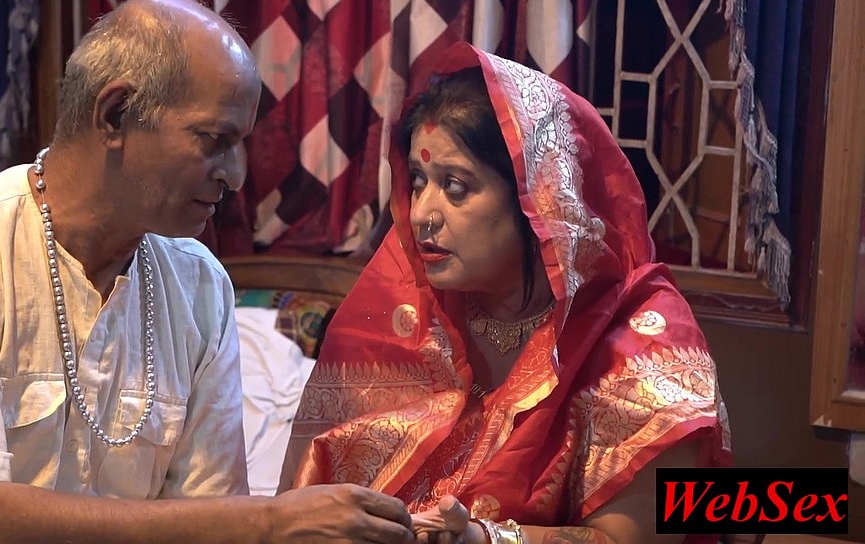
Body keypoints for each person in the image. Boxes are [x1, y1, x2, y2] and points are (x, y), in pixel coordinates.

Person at [0, 0, 416, 544]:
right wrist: (267, 524)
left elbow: (211, 520)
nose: (236, 175)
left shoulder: (199, 285)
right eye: (214, 139)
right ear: (115, 115)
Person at [278, 42, 731, 544]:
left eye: (455, 186)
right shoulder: (404, 313)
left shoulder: (640, 343)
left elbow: (632, 541)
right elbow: (310, 508)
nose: (422, 213)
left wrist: (484, 539)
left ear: (538, 201)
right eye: (419, 182)